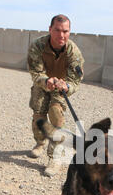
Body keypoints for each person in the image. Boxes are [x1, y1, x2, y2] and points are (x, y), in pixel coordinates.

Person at [27, 14, 84, 177]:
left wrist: (66, 86)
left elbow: (75, 80)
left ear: (69, 31)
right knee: (39, 117)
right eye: (57, 30)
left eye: (65, 31)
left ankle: (55, 158)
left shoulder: (74, 52)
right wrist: (46, 81)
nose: (61, 35)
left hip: (61, 87)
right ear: (50, 29)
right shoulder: (37, 46)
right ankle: (40, 142)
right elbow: (35, 72)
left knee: (56, 116)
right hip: (42, 83)